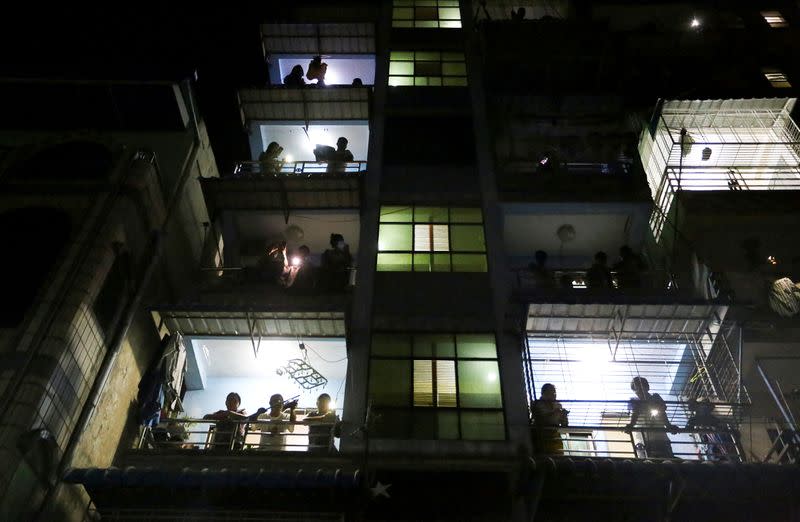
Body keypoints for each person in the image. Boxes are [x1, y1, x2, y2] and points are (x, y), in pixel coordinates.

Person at [625, 377, 678, 459]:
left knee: (666, 459)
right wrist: (631, 425)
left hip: (660, 438)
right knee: (648, 460)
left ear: (647, 387)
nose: (640, 392)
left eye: (641, 388)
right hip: (644, 439)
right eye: (637, 389)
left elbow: (662, 412)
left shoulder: (655, 397)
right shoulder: (633, 401)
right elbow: (634, 413)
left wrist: (669, 426)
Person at [530, 383, 569, 455]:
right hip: (541, 436)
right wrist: (554, 411)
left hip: (555, 437)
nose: (554, 394)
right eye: (552, 392)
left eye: (554, 392)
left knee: (558, 458)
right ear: (544, 393)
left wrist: (564, 415)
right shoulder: (537, 403)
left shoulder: (557, 404)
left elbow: (565, 425)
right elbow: (541, 418)